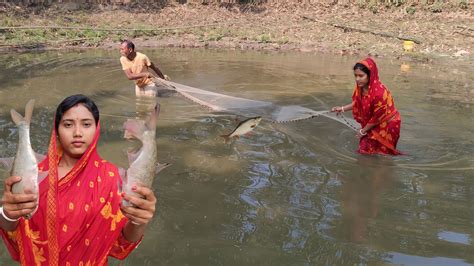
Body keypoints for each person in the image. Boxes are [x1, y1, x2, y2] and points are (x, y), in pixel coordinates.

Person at [0, 94, 157, 264]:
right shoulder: (33, 173)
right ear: (57, 131)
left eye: (86, 124)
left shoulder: (113, 177)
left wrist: (139, 220)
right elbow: (13, 232)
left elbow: (122, 241)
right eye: (68, 125)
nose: (77, 133)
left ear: (96, 129)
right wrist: (8, 213)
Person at [332, 58, 402, 155]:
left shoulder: (379, 93)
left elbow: (377, 117)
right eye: (355, 76)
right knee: (365, 151)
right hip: (372, 123)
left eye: (361, 76)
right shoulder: (361, 87)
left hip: (387, 124)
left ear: (370, 75)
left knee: (383, 154)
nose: (357, 79)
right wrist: (342, 108)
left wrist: (363, 131)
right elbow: (358, 102)